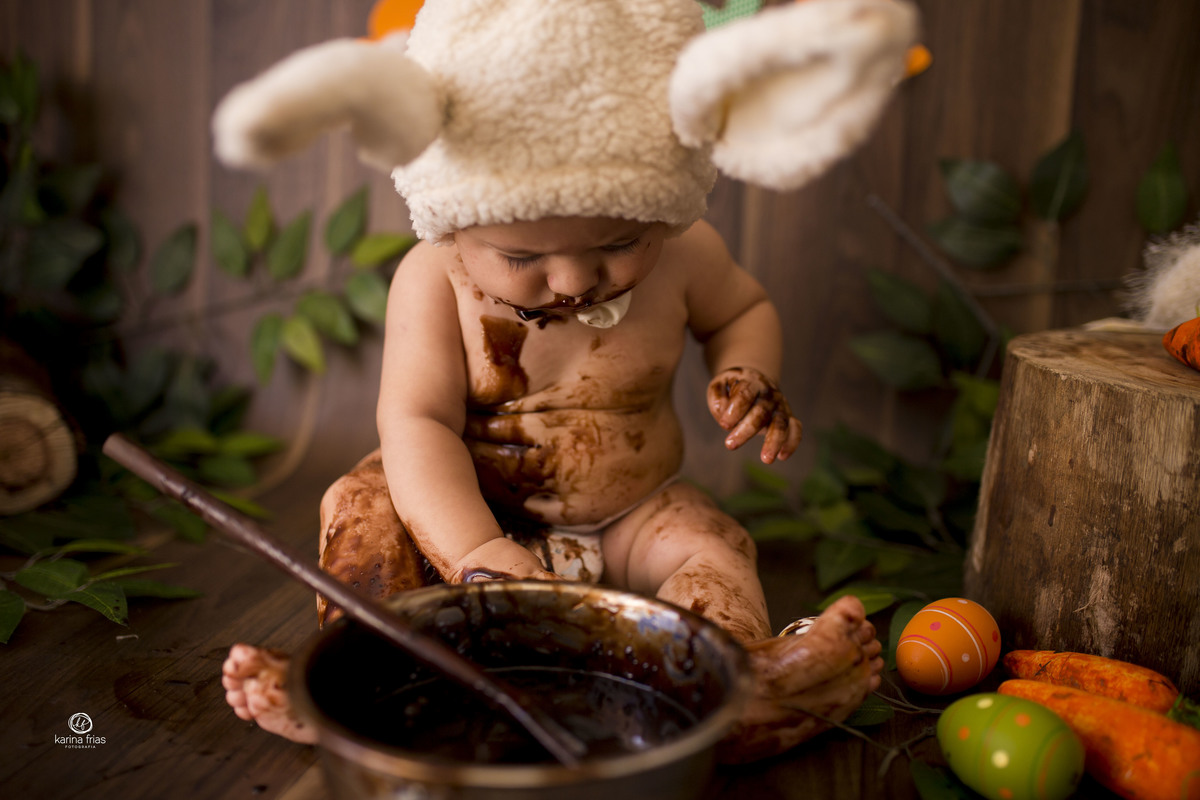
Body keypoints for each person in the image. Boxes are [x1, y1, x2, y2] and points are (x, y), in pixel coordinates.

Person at [215, 0, 913, 763]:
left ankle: (736, 678)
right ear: (453, 222)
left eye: (619, 242)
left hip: (629, 516)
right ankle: (360, 676)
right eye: (522, 259)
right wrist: (478, 552)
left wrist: (748, 371)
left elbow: (743, 308)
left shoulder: (685, 252)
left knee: (709, 544)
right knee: (363, 505)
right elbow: (417, 424)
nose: (577, 279)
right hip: (474, 516)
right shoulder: (433, 278)